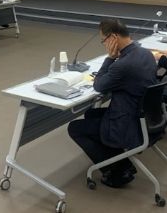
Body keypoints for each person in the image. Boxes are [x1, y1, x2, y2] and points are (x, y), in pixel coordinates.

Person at [68, 19, 158, 188]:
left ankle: (117, 171)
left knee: (74, 128)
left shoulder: (122, 64)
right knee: (91, 113)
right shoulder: (146, 53)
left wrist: (110, 58)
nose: (104, 45)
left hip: (127, 122)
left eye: (104, 41)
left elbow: (99, 85)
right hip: (146, 116)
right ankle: (117, 159)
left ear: (113, 38)